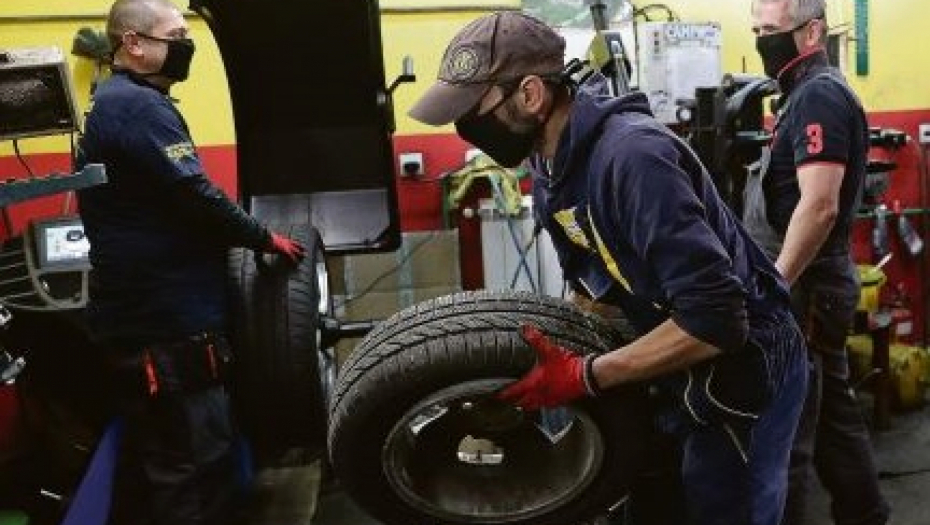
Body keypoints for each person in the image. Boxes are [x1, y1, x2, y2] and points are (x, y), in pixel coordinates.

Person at [409, 11, 808, 525]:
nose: (467, 130)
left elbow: (716, 320)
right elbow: (593, 289)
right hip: (673, 351)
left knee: (724, 505)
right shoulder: (549, 162)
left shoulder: (633, 159)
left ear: (531, 95)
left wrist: (585, 375)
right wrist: (537, 368)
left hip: (746, 361)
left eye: (473, 110)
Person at [75, 0, 305, 523]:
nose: (186, 46)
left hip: (153, 322)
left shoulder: (121, 100)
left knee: (169, 459)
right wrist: (263, 238)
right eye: (175, 35)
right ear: (132, 43)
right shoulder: (135, 106)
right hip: (168, 330)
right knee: (194, 464)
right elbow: (196, 194)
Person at [746, 1, 890, 524]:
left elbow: (820, 204)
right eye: (757, 30)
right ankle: (866, 513)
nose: (763, 41)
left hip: (805, 289)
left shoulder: (819, 96)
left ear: (812, 32)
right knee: (833, 419)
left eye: (772, 31)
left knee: (789, 435)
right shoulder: (800, 94)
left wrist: (776, 284)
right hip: (811, 285)